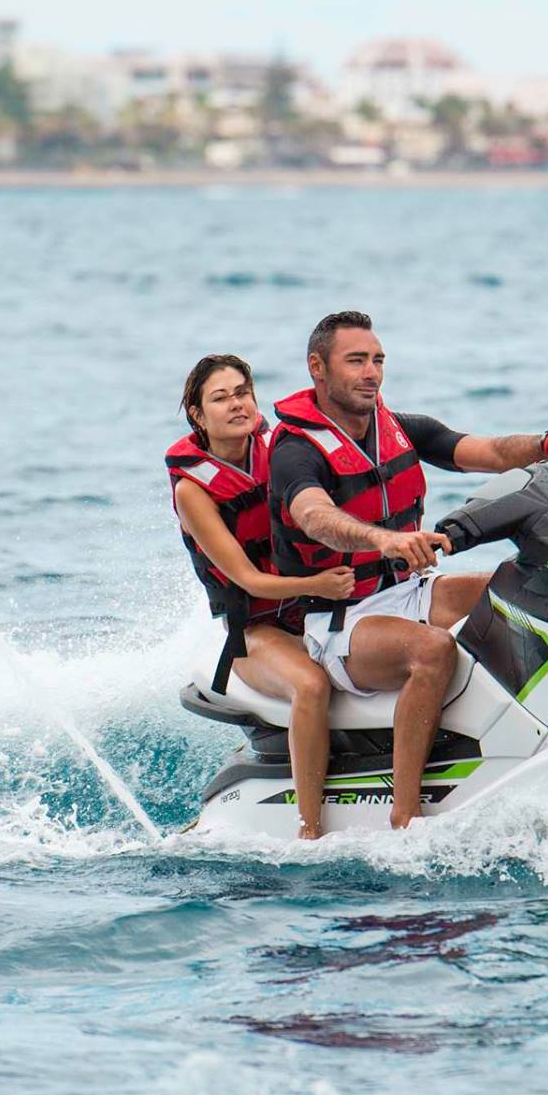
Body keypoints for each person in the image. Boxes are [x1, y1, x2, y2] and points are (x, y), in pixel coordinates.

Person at [267, 311, 548, 829]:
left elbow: (489, 451)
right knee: (432, 651)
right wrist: (384, 539)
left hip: (408, 591)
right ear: (318, 367)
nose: (371, 372)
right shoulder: (294, 451)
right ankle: (405, 817)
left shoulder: (398, 428)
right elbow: (314, 517)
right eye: (356, 361)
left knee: (525, 585)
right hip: (339, 621)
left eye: (377, 360)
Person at [166, 354, 354, 839]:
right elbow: (249, 580)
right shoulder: (193, 491)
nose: (236, 404)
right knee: (312, 686)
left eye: (242, 392)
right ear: (197, 414)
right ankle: (310, 830)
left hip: (316, 611)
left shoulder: (282, 452)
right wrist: (316, 585)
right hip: (256, 632)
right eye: (219, 397)